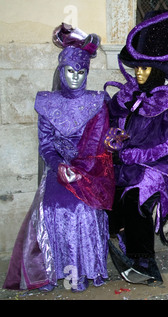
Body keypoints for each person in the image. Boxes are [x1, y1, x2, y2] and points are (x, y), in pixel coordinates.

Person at [3, 24, 114, 292]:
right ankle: (53, 271)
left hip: (89, 170)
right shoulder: (46, 102)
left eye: (81, 72)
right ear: (60, 70)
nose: (75, 77)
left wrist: (79, 170)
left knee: (83, 209)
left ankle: (84, 271)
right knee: (51, 207)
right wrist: (59, 166)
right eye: (70, 71)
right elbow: (46, 145)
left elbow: (96, 145)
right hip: (59, 169)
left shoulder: (97, 102)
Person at [104, 10, 168, 286]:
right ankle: (121, 237)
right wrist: (114, 138)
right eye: (137, 68)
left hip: (160, 167)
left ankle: (144, 260)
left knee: (136, 198)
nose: (140, 73)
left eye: (145, 68)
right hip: (125, 162)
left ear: (157, 71)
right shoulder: (129, 97)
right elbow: (115, 126)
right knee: (106, 192)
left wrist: (136, 154)